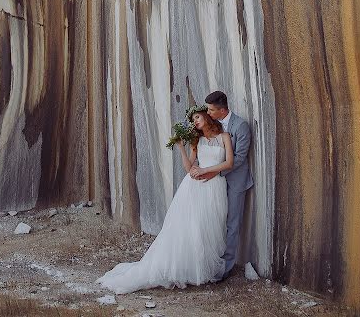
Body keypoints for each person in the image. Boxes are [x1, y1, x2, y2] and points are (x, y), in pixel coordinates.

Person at [96, 108, 234, 293]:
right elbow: (189, 167)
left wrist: (206, 171)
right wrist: (181, 149)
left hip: (215, 184)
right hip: (194, 187)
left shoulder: (224, 136)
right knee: (191, 227)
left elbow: (229, 163)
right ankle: (189, 269)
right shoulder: (197, 140)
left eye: (198, 117)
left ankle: (203, 268)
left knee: (211, 227)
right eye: (193, 120)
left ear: (207, 116)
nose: (195, 122)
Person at [193, 91, 253, 281]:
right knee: (213, 222)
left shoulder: (241, 126)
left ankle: (225, 269)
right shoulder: (212, 124)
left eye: (211, 110)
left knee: (232, 224)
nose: (207, 113)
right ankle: (211, 262)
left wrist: (215, 173)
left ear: (222, 110)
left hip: (235, 181)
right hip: (214, 183)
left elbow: (240, 157)